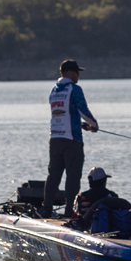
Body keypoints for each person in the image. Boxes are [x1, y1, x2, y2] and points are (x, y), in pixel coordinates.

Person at [45, 58, 98, 216]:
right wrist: (94, 125)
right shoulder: (74, 89)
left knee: (53, 176)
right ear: (69, 73)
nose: (78, 75)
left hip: (55, 139)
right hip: (72, 140)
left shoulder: (54, 91)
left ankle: (46, 209)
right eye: (76, 72)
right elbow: (83, 111)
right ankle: (69, 212)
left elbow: (63, 114)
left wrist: (81, 124)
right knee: (73, 177)